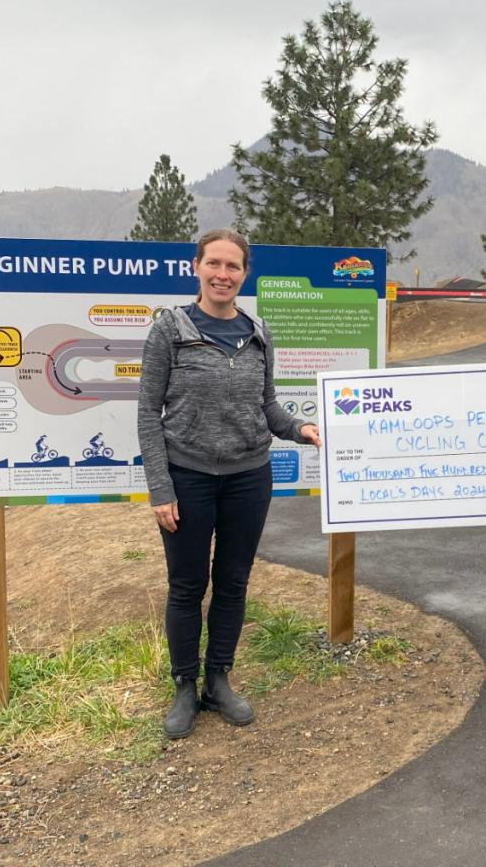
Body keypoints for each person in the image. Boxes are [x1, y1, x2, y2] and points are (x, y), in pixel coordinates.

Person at [138, 228, 322, 739]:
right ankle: (183, 686)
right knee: (186, 585)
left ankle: (218, 679)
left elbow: (266, 405)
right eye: (214, 264)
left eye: (233, 266)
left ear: (245, 273)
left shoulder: (256, 330)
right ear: (196, 267)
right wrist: (161, 487)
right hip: (187, 477)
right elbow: (148, 415)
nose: (223, 274)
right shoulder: (169, 330)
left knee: (234, 582)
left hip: (248, 478)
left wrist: (300, 429)